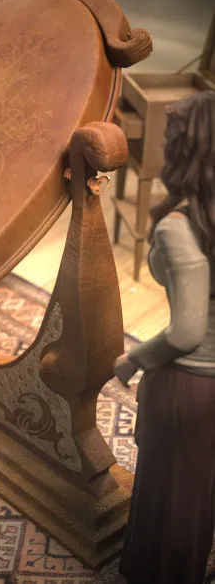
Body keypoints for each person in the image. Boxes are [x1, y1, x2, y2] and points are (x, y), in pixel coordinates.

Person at [113, 90, 215, 584]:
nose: (162, 147)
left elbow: (188, 330)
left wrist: (134, 359)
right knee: (198, 492)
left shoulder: (180, 226)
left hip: (192, 385)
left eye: (170, 138)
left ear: (186, 149)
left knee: (172, 496)